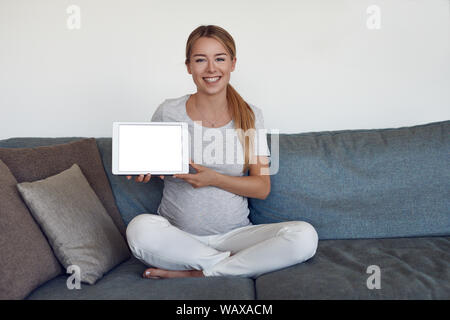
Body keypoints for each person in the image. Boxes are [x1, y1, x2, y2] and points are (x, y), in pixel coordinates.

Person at [125, 25, 318, 280]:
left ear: (233, 63)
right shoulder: (168, 112)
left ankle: (201, 273)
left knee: (304, 236)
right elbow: (153, 162)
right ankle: (230, 267)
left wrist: (213, 178)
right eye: (200, 60)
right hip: (179, 237)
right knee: (139, 229)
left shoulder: (249, 115)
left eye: (220, 59)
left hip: (235, 237)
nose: (211, 68)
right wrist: (145, 168)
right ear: (188, 66)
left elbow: (261, 187)